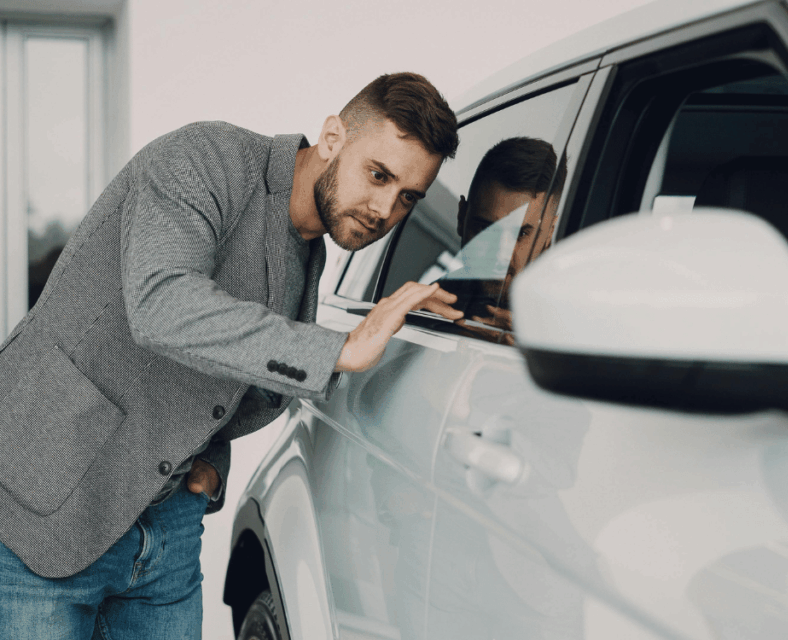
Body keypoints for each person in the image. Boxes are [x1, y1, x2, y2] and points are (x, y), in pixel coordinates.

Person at [0, 71, 461, 639]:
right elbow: (163, 304)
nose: (385, 209)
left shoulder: (308, 253)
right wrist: (339, 349)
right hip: (42, 505)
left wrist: (212, 456)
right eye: (378, 175)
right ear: (333, 137)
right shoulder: (204, 157)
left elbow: (227, 373)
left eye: (407, 197)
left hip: (164, 531)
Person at [438, 136, 566, 338]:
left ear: (549, 234)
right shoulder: (427, 308)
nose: (500, 255)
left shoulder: (570, 326)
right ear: (462, 218)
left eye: (521, 233)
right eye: (486, 229)